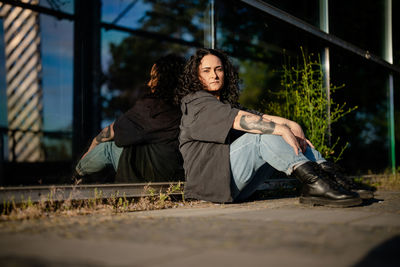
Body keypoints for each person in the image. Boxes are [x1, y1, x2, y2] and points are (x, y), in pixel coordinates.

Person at [176, 48, 373, 207]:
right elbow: (239, 121)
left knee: (274, 130)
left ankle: (331, 177)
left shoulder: (225, 105)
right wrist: (279, 129)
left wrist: (291, 125)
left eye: (219, 69)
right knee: (264, 134)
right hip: (210, 185)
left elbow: (259, 117)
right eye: (207, 70)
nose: (215, 75)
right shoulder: (195, 103)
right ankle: (314, 184)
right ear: (196, 76)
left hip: (229, 187)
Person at [75, 54, 186, 183]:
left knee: (109, 147)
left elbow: (113, 131)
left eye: (154, 77)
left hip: (156, 175)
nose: (149, 83)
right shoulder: (187, 104)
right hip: (179, 173)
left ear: (166, 79)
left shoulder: (152, 107)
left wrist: (92, 145)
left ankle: (74, 178)